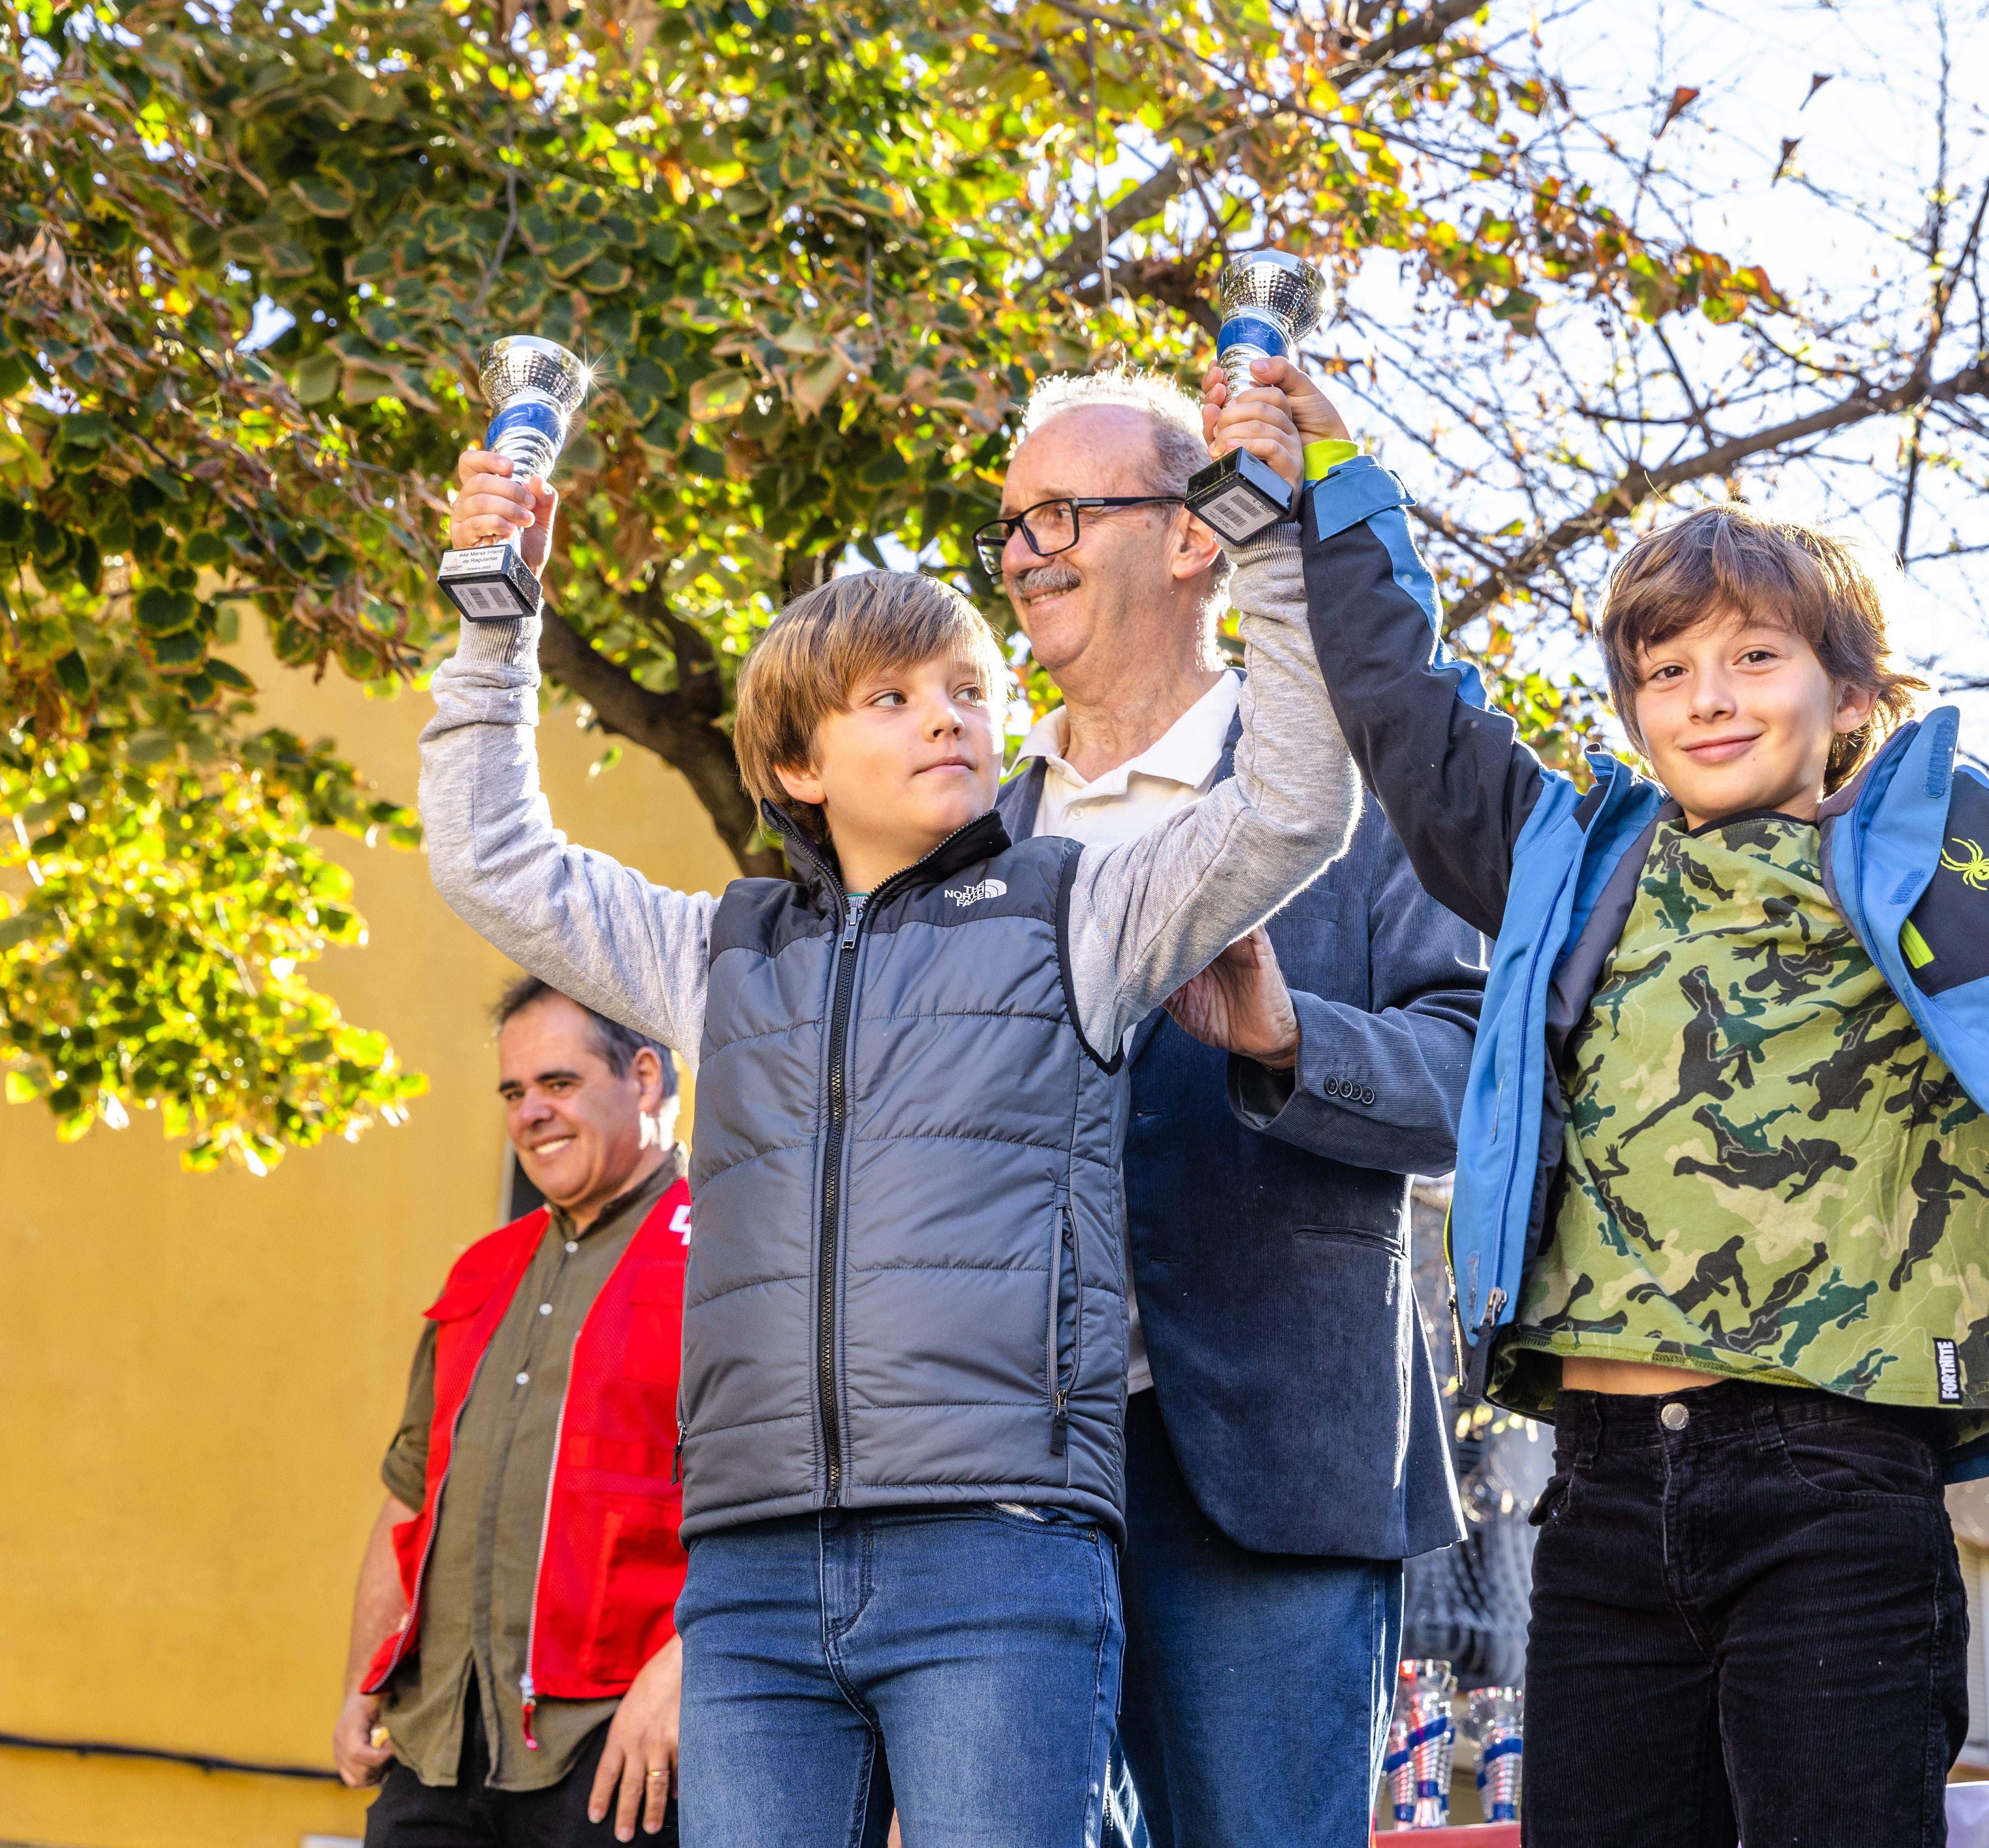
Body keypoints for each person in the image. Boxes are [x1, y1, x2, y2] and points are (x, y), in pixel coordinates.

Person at [1238, 263, 1989, 1846]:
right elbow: (1408, 711)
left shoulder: (1966, 849)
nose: (1708, 698)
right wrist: (1336, 478)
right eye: (1666, 670)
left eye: (1755, 658)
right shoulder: (1571, 863)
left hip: (1837, 1486)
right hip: (1601, 1495)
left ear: (1852, 692)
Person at [415, 383, 1357, 1847]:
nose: (950, 719)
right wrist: (496, 616)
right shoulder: (718, 954)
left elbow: (1293, 803)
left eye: (969, 692)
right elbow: (492, 858)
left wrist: (1273, 549)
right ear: (799, 765)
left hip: (999, 1556)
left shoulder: (1078, 912)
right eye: (895, 700)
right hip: (751, 1577)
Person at [984, 368, 1477, 1848]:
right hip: (1007, 1483)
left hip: (1276, 1472)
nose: (1025, 553)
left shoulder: (1361, 796)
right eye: (1010, 523)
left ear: (1198, 535)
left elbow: (1478, 1082)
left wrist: (1283, 1038)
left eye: (1066, 513)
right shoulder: (968, 838)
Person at [333, 979, 691, 1846]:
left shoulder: (730, 1264)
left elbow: (787, 1523)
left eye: (559, 1084)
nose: (531, 1114)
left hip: (616, 1758)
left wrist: (686, 1676)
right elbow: (412, 1495)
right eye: (514, 1092)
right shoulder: (482, 1272)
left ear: (645, 1079)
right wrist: (358, 1682)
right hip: (439, 1750)